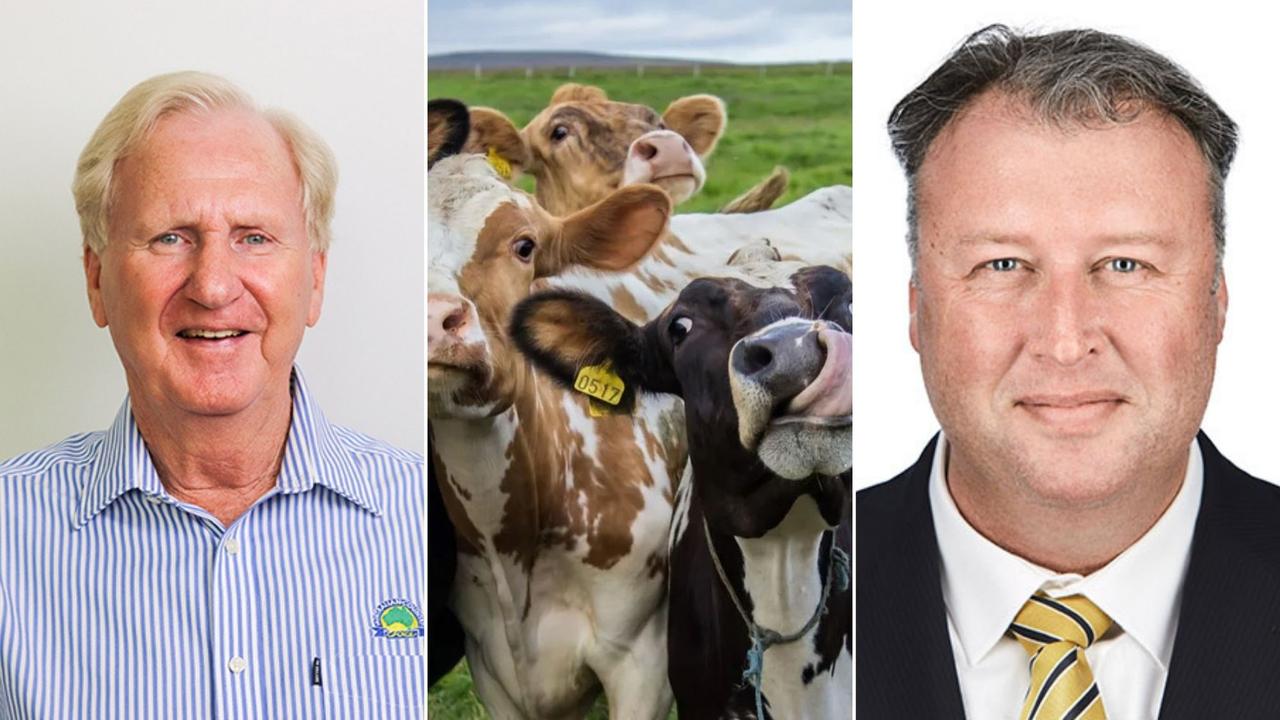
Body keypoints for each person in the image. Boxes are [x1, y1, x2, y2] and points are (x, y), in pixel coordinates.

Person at [857, 25, 1280, 720]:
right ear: (915, 308)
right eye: (1001, 265)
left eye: (1125, 265)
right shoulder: (820, 574)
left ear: (1218, 301)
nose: (1064, 340)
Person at [0, 72, 422, 718]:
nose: (214, 286)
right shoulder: (11, 536)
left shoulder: (430, 521)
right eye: (171, 237)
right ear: (96, 279)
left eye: (254, 237)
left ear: (314, 279)